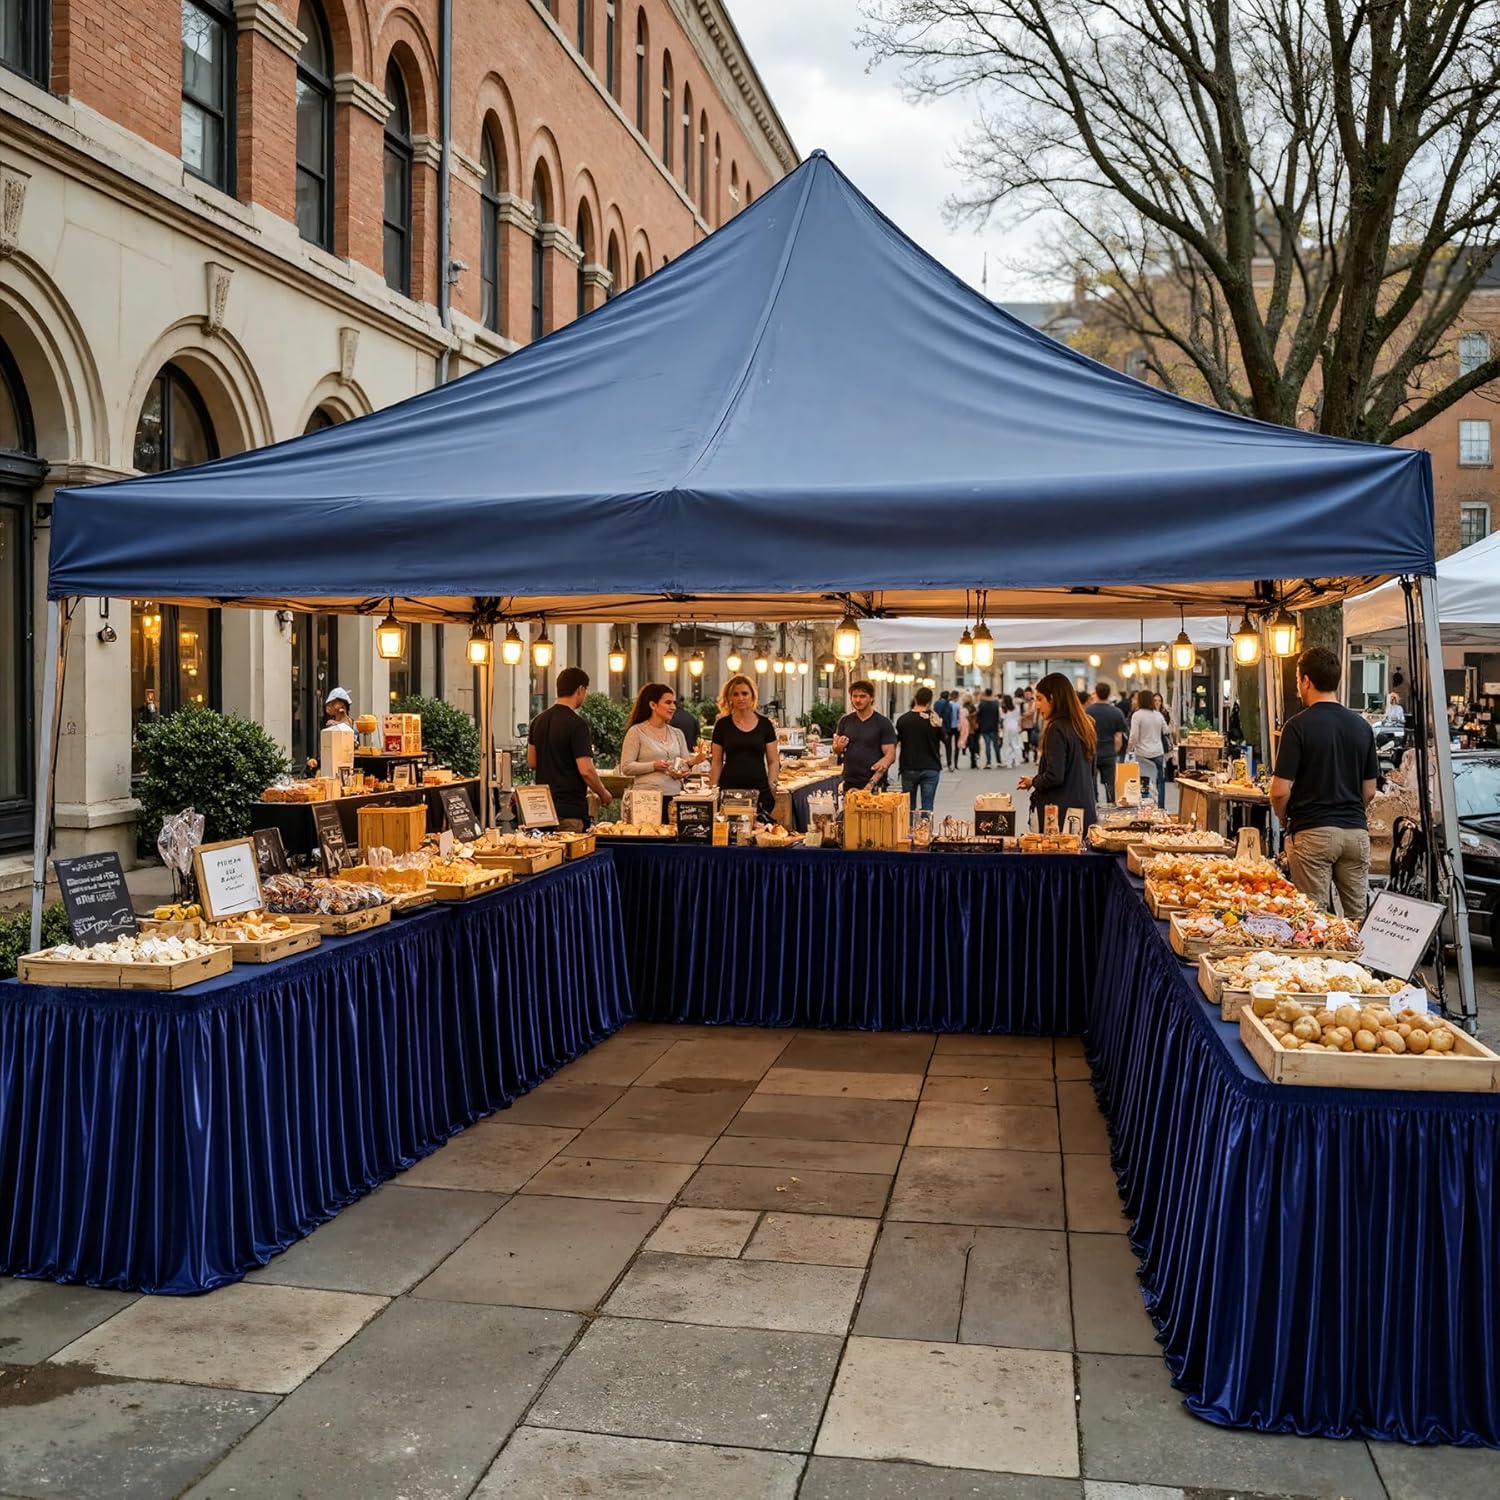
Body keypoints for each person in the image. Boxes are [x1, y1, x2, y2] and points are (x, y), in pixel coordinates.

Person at [1270, 647, 1378, 917]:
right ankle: (1361, 959)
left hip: (1312, 832)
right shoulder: (1362, 727)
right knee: (1358, 919)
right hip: (1355, 833)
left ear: (1306, 680)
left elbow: (1280, 790)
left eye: (1298, 680)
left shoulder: (1297, 727)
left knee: (1313, 919)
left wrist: (1284, 818)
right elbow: (1370, 790)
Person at [526, 666, 614, 830]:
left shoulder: (537, 721)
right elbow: (586, 769)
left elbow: (532, 761)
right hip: (570, 809)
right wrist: (603, 793)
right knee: (570, 854)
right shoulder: (577, 725)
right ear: (580, 689)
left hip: (543, 809)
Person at [1018, 671, 1098, 831]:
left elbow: (1055, 776)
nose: (1037, 705)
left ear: (1053, 698)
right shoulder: (1085, 724)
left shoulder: (1057, 728)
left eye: (1040, 699)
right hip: (1084, 809)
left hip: (1061, 816)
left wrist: (1034, 781)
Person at [709, 674, 780, 820]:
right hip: (730, 790)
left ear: (752, 696)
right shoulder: (722, 725)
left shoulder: (765, 725)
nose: (740, 698)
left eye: (744, 693)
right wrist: (713, 791)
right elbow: (716, 762)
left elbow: (773, 760)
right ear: (730, 698)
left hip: (759, 789)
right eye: (736, 694)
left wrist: (772, 784)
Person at [620, 683, 698, 805]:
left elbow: (684, 764)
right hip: (646, 801)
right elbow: (626, 767)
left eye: (674, 703)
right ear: (652, 705)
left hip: (675, 798)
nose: (673, 707)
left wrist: (684, 770)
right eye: (668, 702)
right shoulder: (636, 731)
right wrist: (653, 765)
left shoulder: (677, 733)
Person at [834, 680, 898, 793]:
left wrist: (873, 780)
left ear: (871, 698)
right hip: (849, 782)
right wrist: (839, 746)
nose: (858, 700)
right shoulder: (845, 721)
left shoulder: (883, 723)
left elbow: (890, 755)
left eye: (862, 696)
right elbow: (836, 749)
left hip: (874, 784)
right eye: (854, 696)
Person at [896, 686, 945, 811]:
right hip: (931, 766)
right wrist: (939, 726)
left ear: (915, 699)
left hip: (909, 766)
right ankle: (925, 830)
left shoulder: (903, 720)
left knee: (909, 808)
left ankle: (909, 829)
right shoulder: (933, 720)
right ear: (930, 701)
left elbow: (897, 741)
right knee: (927, 807)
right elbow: (945, 740)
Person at [1085, 682, 1128, 807]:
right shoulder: (1117, 712)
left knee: (1091, 783)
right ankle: (1112, 807)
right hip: (1109, 752)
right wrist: (1115, 751)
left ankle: (1093, 805)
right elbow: (1118, 737)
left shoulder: (1088, 712)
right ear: (1109, 694)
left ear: (1096, 693)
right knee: (1110, 784)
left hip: (1091, 752)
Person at [1127, 688, 1170, 806]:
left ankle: (1146, 808)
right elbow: (1166, 730)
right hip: (1158, 752)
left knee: (1144, 782)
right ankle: (1161, 808)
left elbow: (1134, 736)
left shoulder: (1137, 715)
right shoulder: (1158, 715)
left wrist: (1129, 749)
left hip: (1143, 754)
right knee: (1160, 782)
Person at [976, 688, 1002, 768]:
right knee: (996, 745)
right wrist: (999, 724)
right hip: (994, 726)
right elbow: (998, 716)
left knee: (987, 745)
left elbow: (978, 715)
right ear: (991, 693)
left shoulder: (982, 704)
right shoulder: (995, 703)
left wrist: (979, 724)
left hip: (984, 727)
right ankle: (998, 761)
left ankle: (988, 762)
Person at [939, 690, 960, 769]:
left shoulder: (948, 704)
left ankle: (949, 762)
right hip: (956, 727)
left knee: (949, 746)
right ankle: (956, 764)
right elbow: (959, 716)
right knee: (956, 746)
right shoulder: (958, 705)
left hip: (949, 727)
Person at [1000, 694, 1023, 767]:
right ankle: (1017, 760)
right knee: (1015, 743)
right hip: (1015, 726)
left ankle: (1007, 761)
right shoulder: (1016, 707)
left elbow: (1002, 718)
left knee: (1006, 744)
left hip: (1007, 726)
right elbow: (1019, 718)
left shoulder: (1003, 709)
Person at [1019, 689, 1037, 762]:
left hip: (1032, 725)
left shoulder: (1033, 703)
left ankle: (1035, 756)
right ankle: (1025, 757)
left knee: (1033, 741)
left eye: (1028, 694)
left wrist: (1024, 715)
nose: (1027, 696)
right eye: (1026, 694)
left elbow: (1032, 712)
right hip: (1024, 726)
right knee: (1024, 741)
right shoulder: (1022, 703)